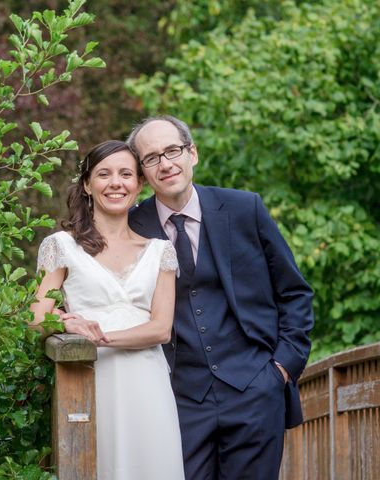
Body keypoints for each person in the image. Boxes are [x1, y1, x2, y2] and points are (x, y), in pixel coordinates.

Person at [126, 115, 314, 479]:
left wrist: (281, 370)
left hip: (255, 392)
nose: (165, 164)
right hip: (176, 399)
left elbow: (294, 292)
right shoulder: (133, 226)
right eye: (151, 158)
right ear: (142, 173)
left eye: (173, 150)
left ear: (192, 153)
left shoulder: (245, 209)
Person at [31, 140, 185, 480]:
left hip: (147, 381)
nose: (116, 183)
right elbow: (36, 318)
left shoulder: (160, 252)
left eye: (126, 174)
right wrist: (67, 324)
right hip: (89, 377)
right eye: (104, 174)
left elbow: (161, 328)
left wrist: (99, 339)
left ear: (139, 184)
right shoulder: (61, 246)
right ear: (87, 184)